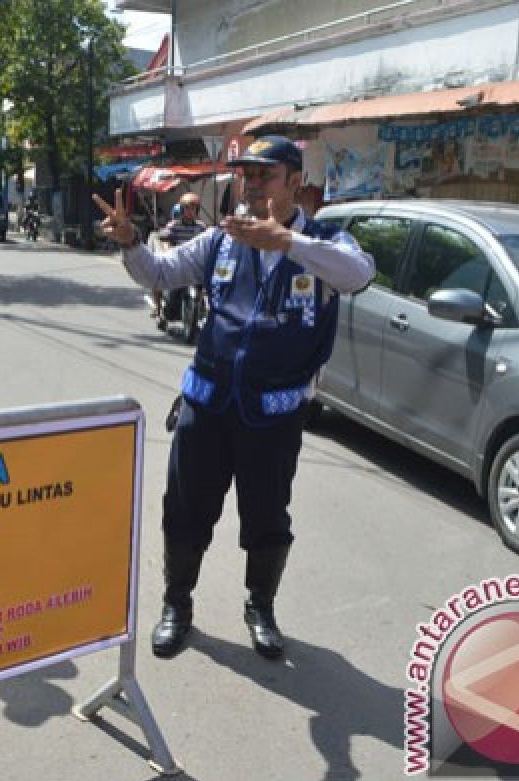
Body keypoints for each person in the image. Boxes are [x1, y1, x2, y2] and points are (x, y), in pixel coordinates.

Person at [93, 135, 373, 661]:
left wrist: (286, 244)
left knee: (268, 518)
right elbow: (160, 273)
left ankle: (260, 606)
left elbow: (359, 274)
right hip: (207, 407)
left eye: (263, 175)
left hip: (272, 419)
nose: (250, 185)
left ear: (294, 182)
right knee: (184, 511)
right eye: (245, 175)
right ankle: (177, 604)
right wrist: (131, 241)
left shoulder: (326, 243)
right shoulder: (220, 241)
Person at [152, 192, 207, 325]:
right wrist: (169, 249)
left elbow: (207, 243)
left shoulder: (201, 227)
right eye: (187, 208)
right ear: (182, 210)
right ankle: (158, 308)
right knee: (158, 277)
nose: (190, 211)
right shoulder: (174, 225)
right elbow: (164, 238)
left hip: (195, 265)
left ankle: (203, 309)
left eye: (193, 208)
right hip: (178, 263)